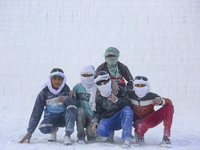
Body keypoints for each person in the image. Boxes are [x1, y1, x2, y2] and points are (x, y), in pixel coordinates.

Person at [19, 68, 77, 146]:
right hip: (51, 117)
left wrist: (66, 99)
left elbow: (75, 103)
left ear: (63, 80)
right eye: (54, 78)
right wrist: (29, 133)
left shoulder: (66, 89)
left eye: (60, 79)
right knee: (43, 128)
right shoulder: (44, 92)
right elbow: (37, 111)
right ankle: (53, 131)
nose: (57, 81)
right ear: (50, 79)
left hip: (64, 118)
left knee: (72, 107)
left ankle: (67, 135)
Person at [126, 75, 174, 148]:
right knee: (139, 125)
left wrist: (161, 100)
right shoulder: (129, 94)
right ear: (134, 85)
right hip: (135, 121)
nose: (140, 87)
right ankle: (139, 133)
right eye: (137, 85)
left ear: (147, 86)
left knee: (169, 107)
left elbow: (169, 101)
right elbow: (119, 95)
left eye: (142, 85)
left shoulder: (151, 96)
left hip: (149, 120)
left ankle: (166, 137)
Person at [91, 71, 133, 149]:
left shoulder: (118, 89)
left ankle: (126, 139)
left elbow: (128, 104)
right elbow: (97, 111)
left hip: (120, 118)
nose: (103, 84)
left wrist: (117, 100)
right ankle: (110, 135)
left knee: (127, 110)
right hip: (107, 119)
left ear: (109, 81)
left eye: (105, 82)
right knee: (100, 130)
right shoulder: (98, 95)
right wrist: (94, 121)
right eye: (100, 83)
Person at [72, 65, 97, 144]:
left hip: (93, 116)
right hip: (81, 116)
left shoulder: (97, 87)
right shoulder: (77, 87)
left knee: (92, 137)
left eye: (89, 75)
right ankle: (81, 136)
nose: (86, 77)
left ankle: (90, 132)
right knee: (79, 111)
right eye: (84, 75)